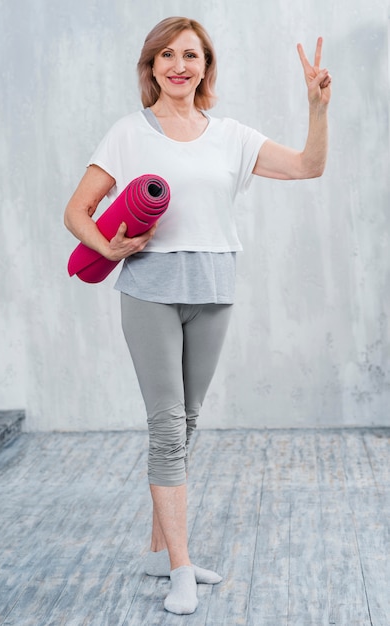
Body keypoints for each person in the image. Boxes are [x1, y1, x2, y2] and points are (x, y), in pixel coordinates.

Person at [64, 16, 331, 615]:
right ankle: (181, 568)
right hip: (151, 290)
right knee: (166, 427)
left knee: (187, 422)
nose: (178, 65)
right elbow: (77, 210)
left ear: (206, 66)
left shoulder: (232, 136)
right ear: (151, 67)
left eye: (190, 55)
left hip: (214, 287)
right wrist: (107, 247)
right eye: (166, 55)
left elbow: (310, 166)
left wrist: (316, 107)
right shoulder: (128, 133)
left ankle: (163, 552)